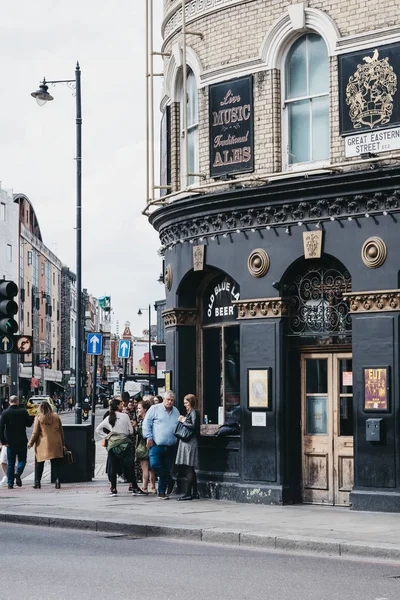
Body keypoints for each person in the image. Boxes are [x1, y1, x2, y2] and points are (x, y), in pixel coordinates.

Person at [95, 397, 147, 497]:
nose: (122, 405)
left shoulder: (109, 417)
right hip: (125, 444)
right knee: (128, 466)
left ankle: (113, 488)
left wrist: (108, 436)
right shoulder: (125, 416)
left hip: (112, 445)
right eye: (121, 404)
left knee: (112, 466)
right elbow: (131, 431)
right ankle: (134, 487)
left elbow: (98, 429)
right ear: (117, 406)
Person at [142, 390, 180, 499]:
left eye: (172, 400)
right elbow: (146, 423)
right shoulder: (155, 409)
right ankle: (170, 480)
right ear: (164, 399)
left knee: (167, 468)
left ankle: (162, 492)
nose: (170, 402)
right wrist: (148, 437)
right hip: (156, 444)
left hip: (171, 445)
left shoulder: (176, 411)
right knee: (155, 465)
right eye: (168, 400)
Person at [27, 401, 65, 489]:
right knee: (56, 463)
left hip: (43, 444)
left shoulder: (39, 418)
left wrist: (30, 443)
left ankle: (37, 482)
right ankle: (57, 481)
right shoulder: (56, 416)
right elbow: (61, 431)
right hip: (56, 442)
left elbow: (35, 433)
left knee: (39, 463)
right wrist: (63, 443)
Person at [0, 395, 34, 489]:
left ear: (9, 402)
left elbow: (1, 428)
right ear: (17, 402)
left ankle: (10, 483)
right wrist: (32, 417)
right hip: (22, 440)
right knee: (22, 460)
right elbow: (28, 424)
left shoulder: (5, 413)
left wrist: (3, 441)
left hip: (10, 442)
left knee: (11, 462)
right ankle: (18, 472)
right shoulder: (23, 412)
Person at [175, 394, 200, 501]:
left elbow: (194, 426)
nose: (185, 405)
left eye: (186, 403)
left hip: (189, 442)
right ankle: (194, 492)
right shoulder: (190, 412)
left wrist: (183, 421)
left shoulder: (193, 412)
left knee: (189, 468)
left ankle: (188, 493)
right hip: (187, 442)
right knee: (190, 468)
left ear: (191, 402)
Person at [135, 399, 156, 494]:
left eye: (139, 408)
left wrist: (136, 428)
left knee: (145, 468)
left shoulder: (143, 421)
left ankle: (144, 487)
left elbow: (142, 434)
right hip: (152, 445)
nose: (138, 410)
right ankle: (153, 487)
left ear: (145, 409)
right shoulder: (151, 419)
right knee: (151, 469)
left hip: (144, 447)